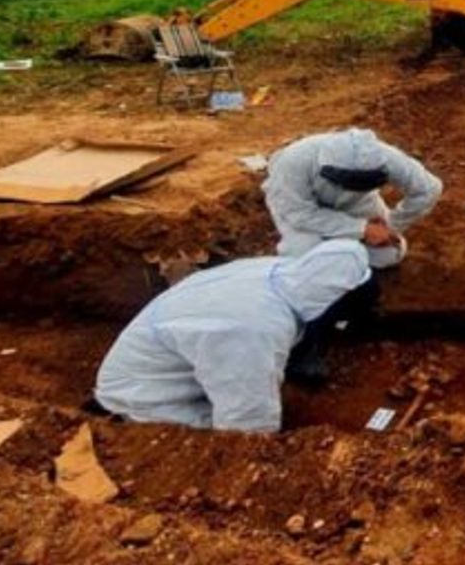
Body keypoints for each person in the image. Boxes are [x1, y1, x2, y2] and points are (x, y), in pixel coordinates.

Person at [94, 241, 379, 433]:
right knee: (212, 436)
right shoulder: (252, 330)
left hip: (171, 357)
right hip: (144, 397)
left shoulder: (280, 271)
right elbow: (244, 427)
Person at [263, 128, 442, 269]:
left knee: (388, 255)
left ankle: (347, 256)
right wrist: (362, 229)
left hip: (356, 204)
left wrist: (391, 225)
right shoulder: (293, 162)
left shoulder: (386, 157)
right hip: (302, 211)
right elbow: (299, 214)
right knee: (305, 259)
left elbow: (428, 189)